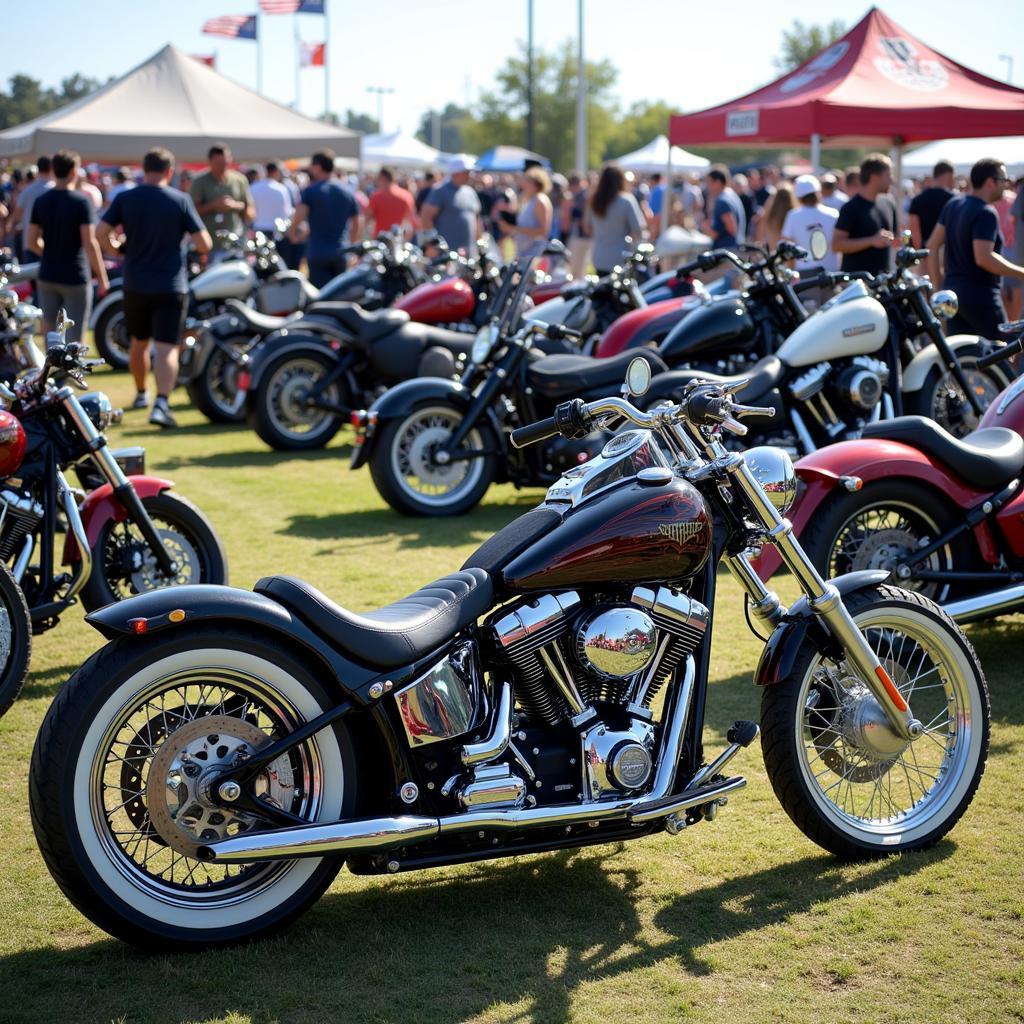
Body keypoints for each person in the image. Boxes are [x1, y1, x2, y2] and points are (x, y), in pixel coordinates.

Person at [97, 147, 211, 428]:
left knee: (138, 343)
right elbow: (204, 244)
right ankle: (161, 403)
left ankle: (140, 393)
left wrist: (117, 249)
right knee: (166, 348)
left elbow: (101, 233)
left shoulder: (126, 198)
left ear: (143, 168)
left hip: (136, 281)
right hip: (170, 284)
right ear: (169, 171)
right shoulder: (180, 200)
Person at [927, 158, 1024, 339]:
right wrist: (1021, 272)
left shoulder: (953, 204)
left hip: (953, 297)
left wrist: (939, 287)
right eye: (1003, 180)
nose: (1007, 185)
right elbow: (984, 258)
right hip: (981, 297)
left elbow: (932, 245)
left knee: (963, 359)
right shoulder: (986, 212)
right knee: (1003, 353)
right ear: (990, 182)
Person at [26, 150, 109, 345]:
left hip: (48, 272)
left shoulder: (42, 201)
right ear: (74, 171)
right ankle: (69, 373)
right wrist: (102, 277)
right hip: (75, 274)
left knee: (49, 330)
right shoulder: (81, 202)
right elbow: (89, 242)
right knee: (74, 332)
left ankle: (51, 371)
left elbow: (31, 241)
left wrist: (49, 254)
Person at [288, 149, 361, 287]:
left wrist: (292, 233)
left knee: (319, 295)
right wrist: (352, 245)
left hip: (318, 252)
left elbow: (300, 214)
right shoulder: (347, 191)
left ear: (318, 167)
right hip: (341, 251)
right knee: (338, 294)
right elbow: (357, 221)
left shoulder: (311, 191)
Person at [832, 153, 897, 275]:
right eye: (888, 175)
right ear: (874, 177)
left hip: (884, 282)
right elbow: (837, 245)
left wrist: (902, 240)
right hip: (857, 283)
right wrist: (871, 240)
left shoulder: (888, 203)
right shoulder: (850, 208)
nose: (892, 180)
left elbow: (896, 240)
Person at [585, 163, 646, 275]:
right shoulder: (626, 200)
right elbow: (638, 230)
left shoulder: (594, 200)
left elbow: (587, 228)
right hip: (620, 257)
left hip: (599, 257)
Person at [189, 144, 255, 248]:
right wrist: (213, 205)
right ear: (210, 162)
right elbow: (191, 212)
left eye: (225, 162)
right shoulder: (199, 181)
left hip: (235, 241)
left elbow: (250, 212)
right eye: (218, 163)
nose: (223, 166)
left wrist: (235, 206)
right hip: (209, 242)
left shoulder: (240, 180)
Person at [420, 156, 481, 255]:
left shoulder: (470, 192)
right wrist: (433, 244)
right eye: (466, 172)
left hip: (469, 252)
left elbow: (476, 218)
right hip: (447, 254)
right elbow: (426, 216)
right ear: (456, 173)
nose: (470, 175)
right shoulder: (440, 191)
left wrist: (479, 240)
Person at [781, 175, 840, 273]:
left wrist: (791, 271)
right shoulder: (834, 214)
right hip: (831, 272)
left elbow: (788, 248)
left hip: (804, 273)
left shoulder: (793, 216)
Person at [6, 155, 53, 262]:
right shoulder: (55, 189)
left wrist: (11, 227)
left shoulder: (28, 191)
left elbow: (17, 214)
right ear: (51, 168)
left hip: (30, 243)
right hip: (51, 246)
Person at [504, 166, 553, 260]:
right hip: (525, 252)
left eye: (527, 181)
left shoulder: (540, 201)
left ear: (536, 184)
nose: (523, 184)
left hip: (535, 254)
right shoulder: (529, 200)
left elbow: (543, 231)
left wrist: (513, 228)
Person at [908, 159, 956, 248]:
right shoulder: (954, 200)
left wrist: (920, 255)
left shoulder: (917, 200)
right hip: (947, 255)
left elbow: (915, 235)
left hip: (925, 254)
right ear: (948, 175)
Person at [703, 164, 746, 252]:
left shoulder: (723, 201)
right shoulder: (730, 195)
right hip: (732, 250)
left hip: (726, 252)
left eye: (709, 182)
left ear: (718, 182)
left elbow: (731, 229)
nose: (707, 186)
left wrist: (704, 227)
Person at [365, 167, 417, 237]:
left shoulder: (376, 196)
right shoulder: (407, 196)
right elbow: (412, 221)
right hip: (399, 238)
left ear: (382, 178)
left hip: (380, 239)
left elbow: (367, 218)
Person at [250, 161, 294, 233]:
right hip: (276, 231)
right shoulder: (281, 189)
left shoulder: (253, 187)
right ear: (275, 171)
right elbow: (287, 212)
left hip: (257, 229)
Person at [757, 182, 795, 249]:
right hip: (790, 254)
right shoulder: (794, 214)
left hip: (774, 252)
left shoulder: (769, 209)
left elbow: (760, 229)